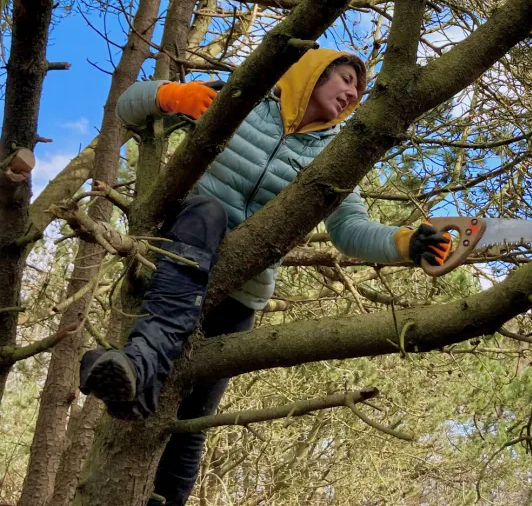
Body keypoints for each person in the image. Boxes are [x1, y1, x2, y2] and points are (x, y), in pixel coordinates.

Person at [79, 48, 451, 506]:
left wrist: (404, 243)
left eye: (360, 89)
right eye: (347, 78)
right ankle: (136, 366)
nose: (354, 92)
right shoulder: (243, 98)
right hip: (184, 254)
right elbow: (128, 105)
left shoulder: (335, 155)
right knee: (207, 209)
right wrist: (175, 96)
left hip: (242, 295)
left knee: (192, 422)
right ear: (313, 72)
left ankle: (137, 383)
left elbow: (350, 230)